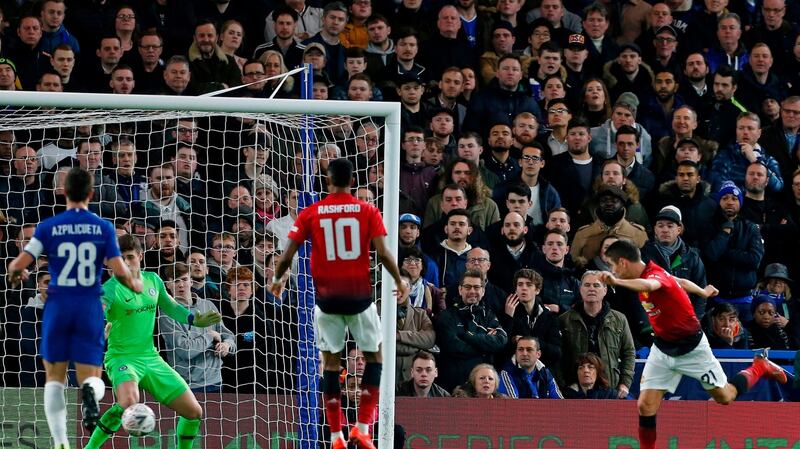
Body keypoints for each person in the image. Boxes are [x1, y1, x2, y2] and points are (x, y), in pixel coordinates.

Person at [270, 158, 406, 449]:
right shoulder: (368, 210)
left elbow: (288, 253)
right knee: (375, 359)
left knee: (330, 365)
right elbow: (382, 253)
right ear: (352, 182)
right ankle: (362, 427)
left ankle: (334, 435)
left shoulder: (310, 213)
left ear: (328, 181)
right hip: (358, 298)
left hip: (327, 300)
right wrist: (399, 280)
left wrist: (278, 278)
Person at [601, 239, 788, 449]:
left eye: (613, 265)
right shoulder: (657, 272)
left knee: (725, 396)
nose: (613, 271)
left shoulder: (651, 277)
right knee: (645, 406)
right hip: (663, 349)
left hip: (692, 349)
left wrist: (616, 282)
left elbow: (648, 285)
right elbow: (679, 281)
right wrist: (702, 291)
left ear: (623, 262)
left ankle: (759, 367)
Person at [6, 167, 143, 448]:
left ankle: (60, 441)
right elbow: (118, 270)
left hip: (58, 306)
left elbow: (19, 263)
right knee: (91, 376)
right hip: (88, 305)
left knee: (54, 379)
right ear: (91, 195)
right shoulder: (103, 227)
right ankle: (90, 395)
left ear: (64, 193)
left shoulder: (48, 226)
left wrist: (16, 273)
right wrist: (135, 284)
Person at [83, 235, 221, 449]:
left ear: (140, 256)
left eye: (129, 257)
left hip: (151, 358)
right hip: (122, 357)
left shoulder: (153, 280)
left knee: (194, 412)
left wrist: (194, 319)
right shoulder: (110, 288)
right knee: (128, 403)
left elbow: (172, 307)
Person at [497, 336, 562, 399]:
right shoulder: (507, 373)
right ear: (516, 353)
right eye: (520, 349)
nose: (524, 353)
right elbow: (515, 405)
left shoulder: (545, 373)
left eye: (529, 350)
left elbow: (560, 402)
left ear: (538, 354)